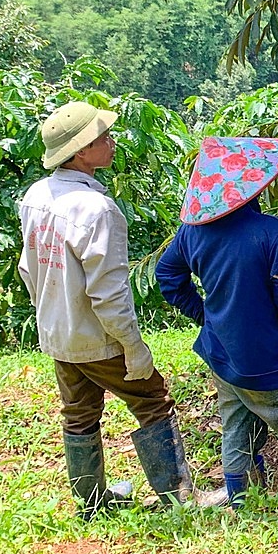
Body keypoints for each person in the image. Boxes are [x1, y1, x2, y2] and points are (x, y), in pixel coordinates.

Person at [18, 101, 193, 519]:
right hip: (99, 336)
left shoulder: (37, 195)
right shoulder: (97, 209)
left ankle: (92, 503)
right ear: (80, 152)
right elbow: (109, 293)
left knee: (79, 413)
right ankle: (179, 499)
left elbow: (29, 268)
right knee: (152, 400)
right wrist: (133, 345)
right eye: (102, 138)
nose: (111, 143)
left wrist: (52, 313)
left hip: (59, 332)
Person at [156, 137, 278, 507]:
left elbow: (167, 275)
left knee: (237, 431)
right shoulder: (273, 233)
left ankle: (243, 501)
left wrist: (206, 317)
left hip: (224, 358)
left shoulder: (193, 231)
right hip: (274, 365)